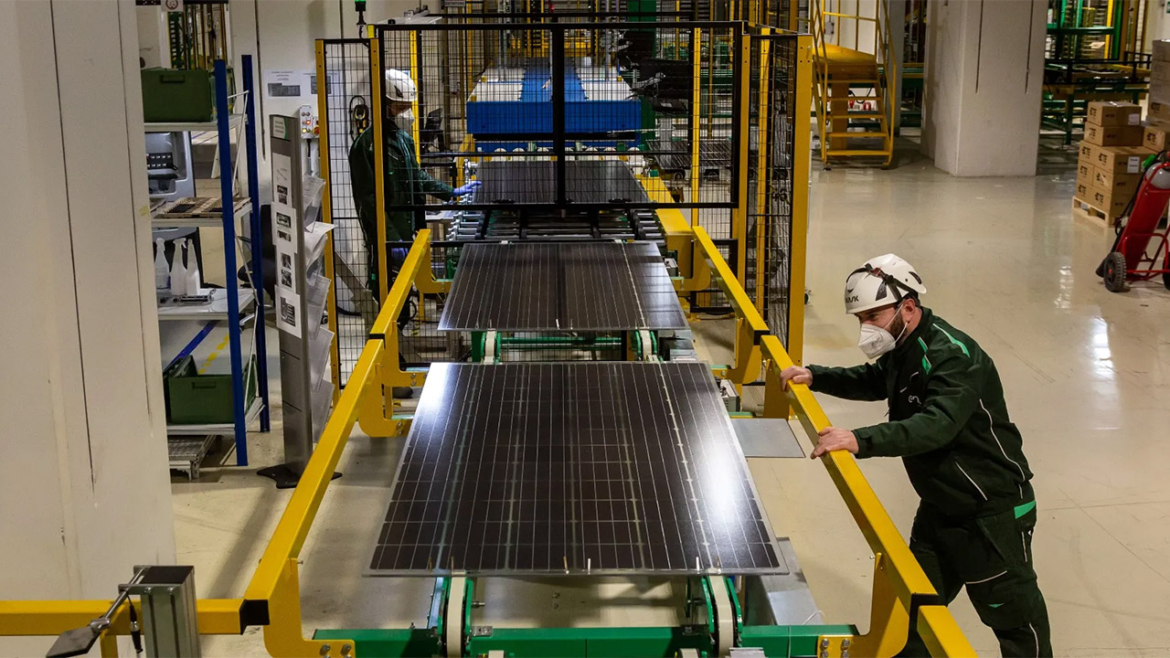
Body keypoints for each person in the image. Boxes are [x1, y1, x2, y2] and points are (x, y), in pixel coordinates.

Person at [780, 254, 1051, 658]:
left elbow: (936, 425)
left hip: (988, 513)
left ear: (907, 306)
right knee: (916, 612)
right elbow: (876, 379)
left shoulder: (954, 356)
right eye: (860, 318)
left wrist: (859, 439)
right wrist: (817, 376)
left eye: (873, 315)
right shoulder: (904, 343)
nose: (866, 327)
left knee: (1013, 621)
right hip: (941, 504)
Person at [348, 68, 479, 297]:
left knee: (405, 292)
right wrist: (390, 238)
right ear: (384, 104)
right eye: (400, 107)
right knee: (387, 293)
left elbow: (417, 177)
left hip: (410, 230)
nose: (406, 113)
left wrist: (452, 192)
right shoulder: (365, 146)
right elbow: (368, 199)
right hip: (387, 237)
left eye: (408, 107)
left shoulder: (404, 139)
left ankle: (400, 329)